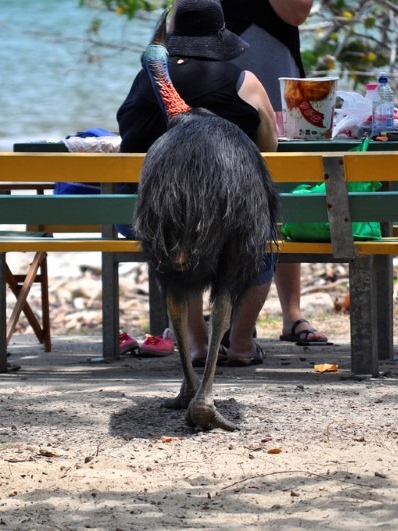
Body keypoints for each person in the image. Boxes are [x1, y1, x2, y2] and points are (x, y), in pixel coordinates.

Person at [117, 0, 278, 365]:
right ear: (218, 39)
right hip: (230, 217)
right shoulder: (244, 81)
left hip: (149, 217)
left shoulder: (147, 80)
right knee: (257, 243)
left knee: (174, 238)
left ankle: (197, 342)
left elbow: (129, 144)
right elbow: (270, 149)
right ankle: (240, 344)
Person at [221, 0, 329, 345]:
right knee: (219, 191)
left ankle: (292, 313)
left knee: (284, 190)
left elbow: (296, 13)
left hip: (277, 66)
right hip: (217, 67)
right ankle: (225, 315)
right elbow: (180, 24)